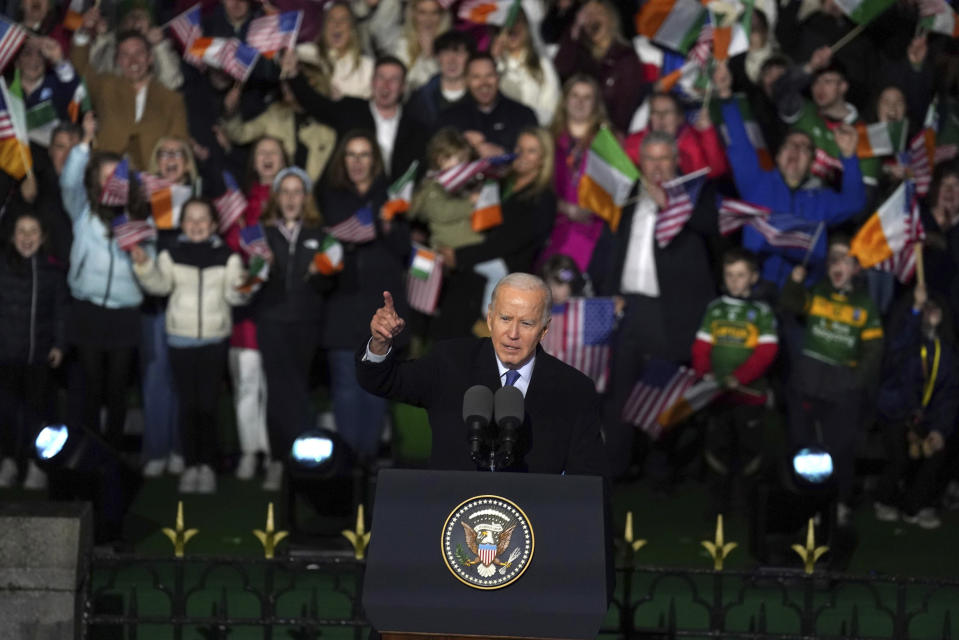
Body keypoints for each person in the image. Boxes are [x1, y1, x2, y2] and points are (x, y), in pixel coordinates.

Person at [356, 273, 608, 477]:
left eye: (527, 323)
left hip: (536, 528)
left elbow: (588, 482)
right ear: (490, 319)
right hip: (450, 520)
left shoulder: (574, 390)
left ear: (543, 330)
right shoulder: (450, 362)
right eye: (505, 318)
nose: (513, 333)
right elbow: (382, 380)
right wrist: (379, 343)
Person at [593, 130, 719, 477]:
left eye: (665, 158)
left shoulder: (695, 195)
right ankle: (615, 470)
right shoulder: (627, 197)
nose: (658, 166)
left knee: (662, 396)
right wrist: (609, 292)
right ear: (640, 162)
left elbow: (714, 228)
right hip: (628, 309)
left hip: (671, 314)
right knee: (618, 395)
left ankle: (660, 471)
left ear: (676, 162)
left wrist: (671, 204)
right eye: (651, 159)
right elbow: (610, 251)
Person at [131, 199, 249, 494]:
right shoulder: (171, 253)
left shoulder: (228, 256)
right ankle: (190, 464)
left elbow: (235, 298)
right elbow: (160, 286)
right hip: (180, 339)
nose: (196, 225)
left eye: (203, 219)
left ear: (213, 225)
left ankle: (207, 466)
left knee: (207, 405)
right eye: (190, 219)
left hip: (213, 340)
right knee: (187, 405)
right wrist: (144, 267)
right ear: (182, 225)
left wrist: (246, 285)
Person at [713, 61, 866, 289]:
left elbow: (855, 203)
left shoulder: (821, 199)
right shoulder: (756, 182)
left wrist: (849, 156)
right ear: (777, 156)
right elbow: (741, 144)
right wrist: (725, 95)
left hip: (801, 295)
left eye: (804, 148)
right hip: (756, 288)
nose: (795, 150)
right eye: (790, 145)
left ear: (813, 164)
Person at [319, 132, 410, 462]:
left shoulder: (391, 198)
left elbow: (405, 250)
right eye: (351, 155)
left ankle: (368, 464)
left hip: (382, 307)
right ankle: (347, 464)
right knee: (345, 386)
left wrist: (387, 224)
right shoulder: (330, 197)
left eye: (364, 155)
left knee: (374, 387)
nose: (357, 162)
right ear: (342, 161)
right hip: (342, 308)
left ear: (375, 161)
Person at [781, 235, 884, 526]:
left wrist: (853, 380)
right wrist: (795, 281)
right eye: (833, 260)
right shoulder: (818, 293)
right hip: (808, 385)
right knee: (804, 448)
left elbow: (874, 349)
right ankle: (809, 504)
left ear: (856, 268)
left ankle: (838, 503)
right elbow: (790, 302)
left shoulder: (865, 305)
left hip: (841, 392)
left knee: (840, 449)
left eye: (845, 260)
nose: (838, 265)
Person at [61, 113, 148, 451]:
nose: (112, 182)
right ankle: (88, 449)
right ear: (96, 180)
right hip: (88, 308)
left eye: (118, 176)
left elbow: (150, 262)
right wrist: (84, 143)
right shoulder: (81, 208)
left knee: (116, 388)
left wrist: (143, 259)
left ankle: (112, 453)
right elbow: (69, 182)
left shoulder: (139, 215)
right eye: (105, 175)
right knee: (91, 384)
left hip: (125, 312)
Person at [256, 167, 342, 490]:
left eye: (297, 192)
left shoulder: (322, 236)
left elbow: (328, 282)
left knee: (299, 389)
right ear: (276, 197)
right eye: (285, 191)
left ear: (306, 198)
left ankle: (302, 461)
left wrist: (321, 271)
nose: (291, 198)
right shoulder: (262, 234)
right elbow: (250, 280)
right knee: (277, 391)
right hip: (272, 321)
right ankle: (279, 460)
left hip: (306, 322)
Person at [691, 248, 779, 513]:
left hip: (749, 394)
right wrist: (707, 374)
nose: (734, 281)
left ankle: (747, 505)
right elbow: (701, 347)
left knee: (749, 451)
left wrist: (737, 378)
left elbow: (767, 352)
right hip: (718, 394)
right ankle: (717, 504)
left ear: (753, 277)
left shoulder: (762, 312)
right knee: (717, 448)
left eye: (741, 275)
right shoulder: (715, 309)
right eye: (729, 275)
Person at [874, 285, 958, 530]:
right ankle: (883, 498)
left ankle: (914, 506)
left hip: (926, 415)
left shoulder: (948, 351)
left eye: (935, 308)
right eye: (926, 308)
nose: (931, 312)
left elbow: (949, 394)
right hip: (896, 410)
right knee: (900, 458)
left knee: (938, 453)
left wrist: (940, 429)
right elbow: (898, 348)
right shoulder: (907, 339)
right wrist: (914, 311)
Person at [0, 213, 68, 490]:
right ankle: (7, 461)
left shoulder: (51, 270)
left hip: (38, 355)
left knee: (38, 412)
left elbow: (61, 311)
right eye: (21, 231)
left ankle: (36, 466)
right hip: (6, 355)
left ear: (42, 237)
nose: (27, 237)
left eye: (33, 231)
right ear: (12, 236)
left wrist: (60, 344)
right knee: (6, 413)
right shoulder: (2, 267)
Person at [283, 52, 427, 181]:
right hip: (349, 199)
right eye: (381, 77)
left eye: (394, 79)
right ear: (372, 82)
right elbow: (315, 104)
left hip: (397, 204)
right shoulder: (351, 109)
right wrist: (294, 74)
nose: (386, 85)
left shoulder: (415, 126)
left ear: (402, 87)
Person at [70, 16, 189, 170]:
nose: (133, 61)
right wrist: (84, 32)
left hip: (152, 184)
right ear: (118, 60)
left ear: (150, 58)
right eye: (125, 55)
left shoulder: (171, 99)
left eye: (139, 53)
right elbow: (80, 68)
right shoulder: (106, 86)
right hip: (106, 180)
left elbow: (179, 146)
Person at [537, 74, 608, 273]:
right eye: (575, 96)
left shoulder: (609, 142)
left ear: (596, 104)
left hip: (591, 231)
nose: (580, 102)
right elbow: (535, 187)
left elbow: (616, 191)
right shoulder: (548, 139)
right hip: (552, 228)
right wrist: (564, 207)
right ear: (565, 101)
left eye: (587, 97)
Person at [553, 0, 646, 133]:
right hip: (575, 127)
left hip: (607, 133)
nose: (592, 18)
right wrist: (575, 29)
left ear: (611, 20)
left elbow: (624, 111)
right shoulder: (579, 53)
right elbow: (561, 69)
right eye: (587, 15)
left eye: (599, 13)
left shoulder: (626, 58)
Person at [436, 52, 538, 159]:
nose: (484, 83)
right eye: (476, 77)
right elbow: (437, 158)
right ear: (466, 81)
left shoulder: (523, 115)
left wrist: (503, 153)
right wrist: (463, 145)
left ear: (497, 78)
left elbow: (535, 156)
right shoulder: (449, 119)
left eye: (489, 75)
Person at [624, 92, 728, 180]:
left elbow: (717, 171)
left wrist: (708, 133)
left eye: (667, 112)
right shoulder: (634, 142)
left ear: (680, 118)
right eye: (655, 112)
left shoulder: (696, 139)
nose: (661, 117)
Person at [490, 8, 561, 127]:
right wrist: (493, 60)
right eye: (507, 23)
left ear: (527, 27)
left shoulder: (542, 64)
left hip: (534, 131)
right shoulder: (494, 63)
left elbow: (551, 106)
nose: (513, 28)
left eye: (518, 21)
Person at [295, 1, 373, 100]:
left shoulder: (368, 67)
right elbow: (283, 54)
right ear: (324, 27)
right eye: (331, 19)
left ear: (352, 28)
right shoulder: (308, 54)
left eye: (343, 19)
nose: (337, 24)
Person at [406, 30, 472, 129]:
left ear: (469, 58)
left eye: (459, 53)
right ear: (437, 57)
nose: (452, 60)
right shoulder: (419, 98)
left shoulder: (479, 96)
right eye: (445, 53)